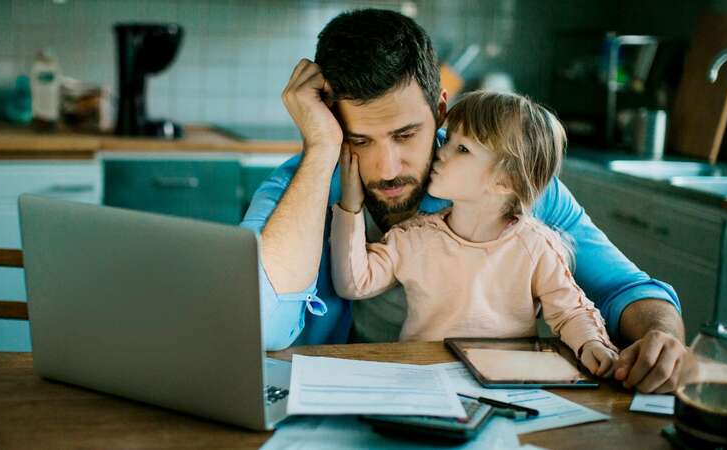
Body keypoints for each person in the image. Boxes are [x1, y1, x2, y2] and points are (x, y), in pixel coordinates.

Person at [240, 8, 686, 393]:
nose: (387, 167)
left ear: (439, 111)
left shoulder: (505, 184)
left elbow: (625, 288)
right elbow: (254, 325)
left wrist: (660, 336)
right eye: (359, 139)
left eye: (405, 134)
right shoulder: (297, 188)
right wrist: (320, 151)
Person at [330, 91, 619, 377]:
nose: (441, 151)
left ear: (505, 181)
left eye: (462, 149)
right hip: (425, 378)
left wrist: (592, 343)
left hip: (506, 384)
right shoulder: (413, 237)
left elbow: (570, 312)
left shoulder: (536, 247)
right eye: (450, 138)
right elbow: (354, 284)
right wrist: (350, 206)